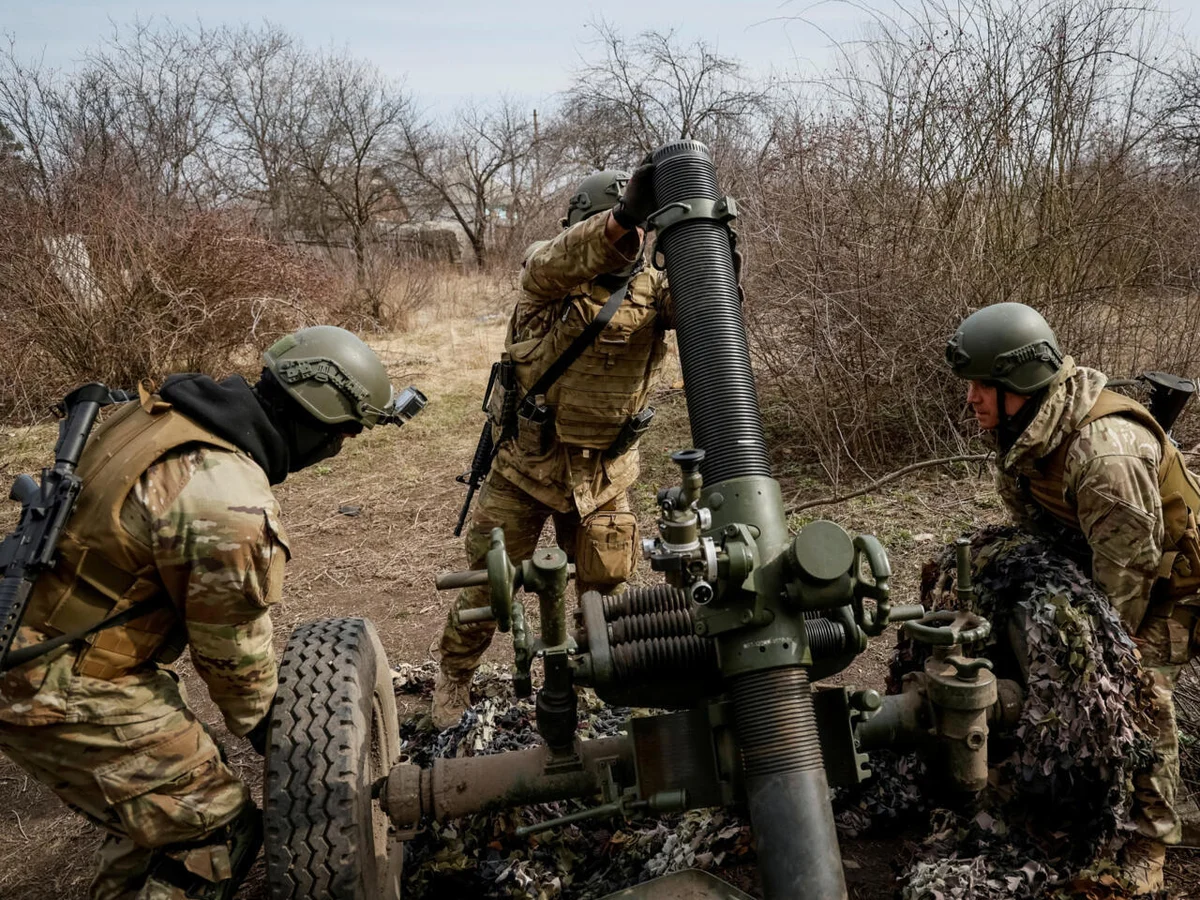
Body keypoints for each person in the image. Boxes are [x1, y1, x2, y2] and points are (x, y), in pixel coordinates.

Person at [0, 326, 407, 900]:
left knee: (158, 812)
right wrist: (317, 753)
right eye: (342, 433)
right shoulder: (227, 502)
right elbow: (237, 672)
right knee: (214, 829)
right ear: (315, 421)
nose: (338, 448)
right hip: (58, 682)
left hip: (42, 636)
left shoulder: (161, 414)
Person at [945, 302, 1200, 894]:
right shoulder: (1027, 431)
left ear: (1020, 385)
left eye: (984, 385)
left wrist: (1097, 656)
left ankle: (1147, 839)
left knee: (1131, 683)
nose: (971, 398)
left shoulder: (1103, 455)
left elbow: (1129, 582)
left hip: (1179, 588)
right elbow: (1041, 535)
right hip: (1122, 566)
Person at [431, 164, 672, 729]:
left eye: (639, 233)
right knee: (487, 590)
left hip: (605, 475)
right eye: (617, 231)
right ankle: (454, 678)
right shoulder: (547, 276)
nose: (630, 243)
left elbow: (707, 308)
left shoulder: (655, 288)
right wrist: (622, 219)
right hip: (525, 468)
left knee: (607, 598)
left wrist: (711, 248)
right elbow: (558, 259)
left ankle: (597, 683)